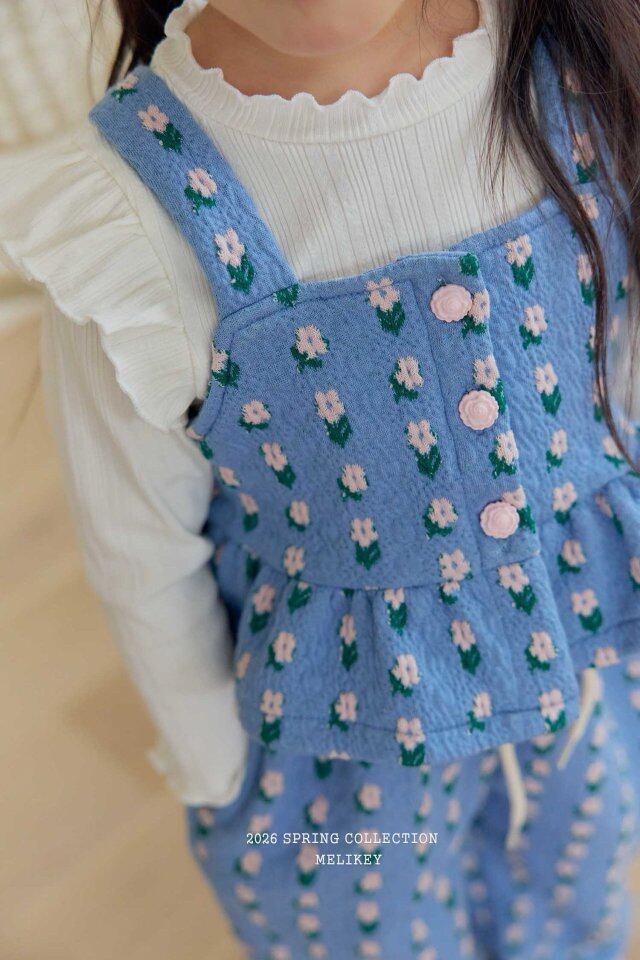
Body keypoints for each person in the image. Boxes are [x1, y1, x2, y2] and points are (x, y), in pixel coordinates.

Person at [2, 0, 640, 956]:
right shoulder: (136, 208)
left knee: (573, 918)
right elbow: (137, 547)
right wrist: (220, 771)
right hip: (336, 752)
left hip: (587, 673)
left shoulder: (577, 55)